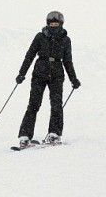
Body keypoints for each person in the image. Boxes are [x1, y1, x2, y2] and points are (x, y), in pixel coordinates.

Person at [15, 11, 81, 148]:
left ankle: (54, 134)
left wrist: (73, 79)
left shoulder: (65, 40)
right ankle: (25, 136)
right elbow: (30, 55)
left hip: (57, 74)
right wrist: (22, 73)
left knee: (56, 105)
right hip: (39, 73)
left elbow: (68, 61)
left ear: (61, 24)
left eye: (56, 24)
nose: (54, 26)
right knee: (33, 104)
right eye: (51, 24)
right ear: (47, 24)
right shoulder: (40, 37)